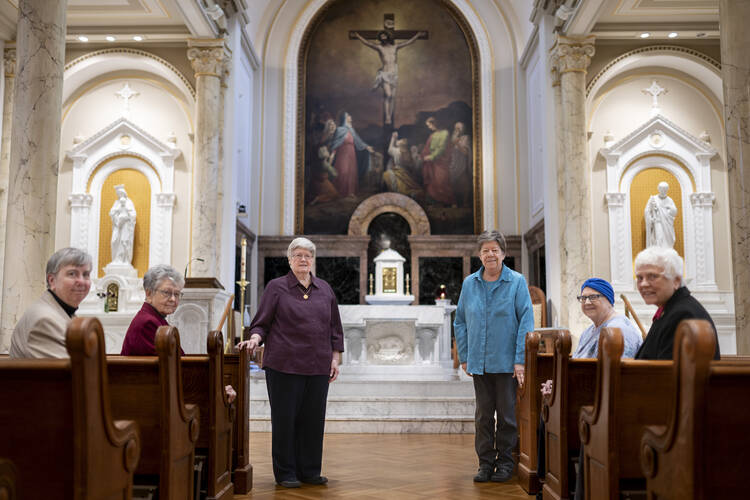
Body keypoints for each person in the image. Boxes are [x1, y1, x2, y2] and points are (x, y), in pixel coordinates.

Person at [236, 237, 344, 488]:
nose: (303, 260)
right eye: (298, 255)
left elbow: (335, 327)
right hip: (284, 364)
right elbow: (261, 322)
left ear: (313, 260)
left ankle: (309, 471)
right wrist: (254, 339)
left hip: (317, 365)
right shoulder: (277, 287)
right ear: (289, 259)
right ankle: (286, 473)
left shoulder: (324, 289)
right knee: (285, 420)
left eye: (308, 255)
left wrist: (335, 358)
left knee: (312, 420)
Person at [536, 278, 641, 499]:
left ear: (609, 300)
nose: (587, 302)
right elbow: (579, 369)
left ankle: (555, 484)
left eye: (594, 297)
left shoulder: (620, 330)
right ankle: (547, 483)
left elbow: (614, 376)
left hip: (600, 404)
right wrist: (555, 386)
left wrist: (559, 390)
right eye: (583, 298)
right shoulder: (589, 331)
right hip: (580, 397)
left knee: (549, 415)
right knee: (546, 412)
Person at [454, 230, 534, 483]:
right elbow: (460, 322)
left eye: (495, 249)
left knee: (508, 417)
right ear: (479, 255)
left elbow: (526, 322)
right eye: (485, 250)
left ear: (503, 253)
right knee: (483, 417)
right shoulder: (470, 284)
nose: (490, 254)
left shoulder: (517, 281)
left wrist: (520, 360)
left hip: (507, 362)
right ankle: (485, 464)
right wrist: (464, 356)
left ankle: (506, 463)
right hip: (479, 362)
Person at [120, 264, 236, 401]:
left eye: (177, 294)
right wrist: (215, 389)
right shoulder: (148, 323)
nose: (173, 299)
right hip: (147, 399)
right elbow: (172, 369)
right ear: (149, 293)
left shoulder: (156, 319)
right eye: (167, 293)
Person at [634, 246, 719, 360]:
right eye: (640, 278)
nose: (643, 284)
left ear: (676, 281)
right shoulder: (672, 308)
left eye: (652, 276)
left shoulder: (683, 315)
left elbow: (667, 373)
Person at [10, 247, 93, 358]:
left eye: (86, 274)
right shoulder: (44, 320)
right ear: (52, 281)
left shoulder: (62, 311)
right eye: (72, 274)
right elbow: (68, 373)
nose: (81, 281)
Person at [352, 29, 425, 125]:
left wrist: (417, 35)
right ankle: (387, 116)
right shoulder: (379, 47)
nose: (383, 38)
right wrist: (358, 36)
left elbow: (408, 42)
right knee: (388, 95)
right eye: (381, 37)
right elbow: (367, 43)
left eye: (384, 36)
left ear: (388, 37)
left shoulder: (395, 47)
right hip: (385, 74)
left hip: (393, 75)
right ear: (380, 39)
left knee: (393, 97)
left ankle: (389, 116)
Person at [329, 111, 374, 197]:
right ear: (345, 118)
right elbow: (335, 143)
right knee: (343, 171)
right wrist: (332, 156)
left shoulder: (352, 130)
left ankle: (350, 192)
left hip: (351, 153)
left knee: (352, 172)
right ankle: (339, 192)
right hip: (342, 154)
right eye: (348, 115)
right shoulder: (339, 130)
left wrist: (367, 147)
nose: (350, 117)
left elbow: (358, 141)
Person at [422, 116, 456, 205]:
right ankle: (436, 202)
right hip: (432, 162)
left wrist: (432, 156)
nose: (429, 127)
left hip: (441, 160)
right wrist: (424, 155)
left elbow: (442, 148)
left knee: (441, 181)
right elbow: (427, 147)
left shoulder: (445, 133)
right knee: (433, 182)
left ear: (435, 123)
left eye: (429, 125)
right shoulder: (432, 135)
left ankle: (448, 202)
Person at [644, 181, 677, 249]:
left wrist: (670, 208)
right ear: (658, 189)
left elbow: (674, 212)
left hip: (667, 224)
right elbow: (647, 211)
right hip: (658, 222)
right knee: (659, 237)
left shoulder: (670, 200)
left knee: (668, 240)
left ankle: (667, 252)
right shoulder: (653, 199)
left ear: (667, 190)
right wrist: (651, 218)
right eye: (661, 189)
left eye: (665, 189)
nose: (663, 191)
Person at [110, 184, 137, 264]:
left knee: (124, 241)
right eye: (118, 194)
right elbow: (112, 213)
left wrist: (126, 215)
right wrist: (116, 214)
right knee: (114, 241)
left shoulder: (128, 202)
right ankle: (116, 259)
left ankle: (124, 260)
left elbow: (132, 215)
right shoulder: (116, 203)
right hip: (117, 225)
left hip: (125, 226)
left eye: (120, 193)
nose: (119, 195)